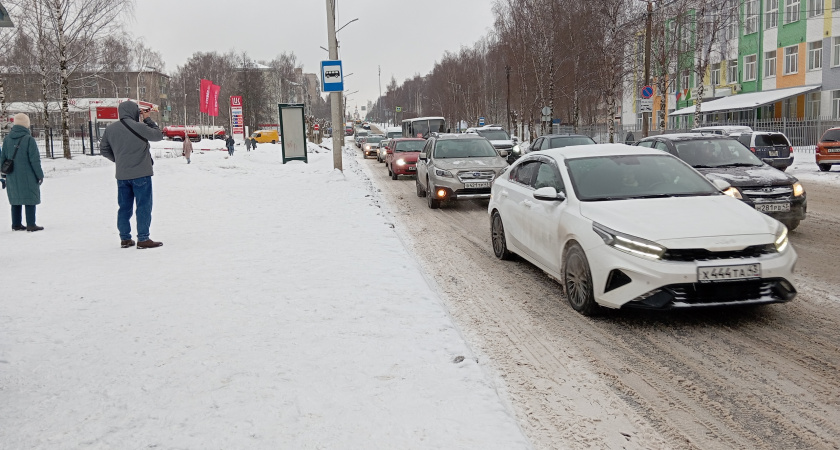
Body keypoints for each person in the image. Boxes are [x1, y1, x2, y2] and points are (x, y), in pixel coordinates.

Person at [100, 101, 164, 249]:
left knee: (124, 207)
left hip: (122, 176)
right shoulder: (140, 127)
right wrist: (147, 119)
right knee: (143, 206)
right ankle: (143, 239)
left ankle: (125, 239)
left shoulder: (110, 129)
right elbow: (158, 135)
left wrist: (118, 160)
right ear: (134, 112)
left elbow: (104, 150)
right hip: (141, 174)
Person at [0, 113, 44, 232]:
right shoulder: (29, 139)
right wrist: (40, 175)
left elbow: (2, 158)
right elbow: (34, 160)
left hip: (12, 175)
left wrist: (3, 173)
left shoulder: (7, 139)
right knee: (29, 198)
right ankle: (31, 224)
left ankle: (16, 224)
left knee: (16, 199)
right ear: (26, 124)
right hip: (28, 175)